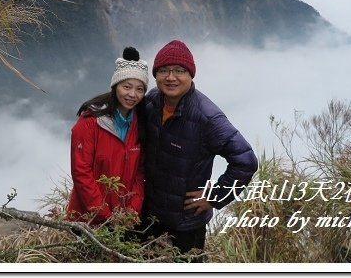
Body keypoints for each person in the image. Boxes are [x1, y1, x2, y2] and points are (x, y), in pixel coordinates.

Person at [139, 39, 258, 256]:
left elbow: (246, 161)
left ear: (191, 75)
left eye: (179, 70)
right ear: (155, 75)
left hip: (186, 221)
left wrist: (215, 197)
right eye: (164, 70)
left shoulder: (207, 117)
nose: (171, 77)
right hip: (150, 212)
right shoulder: (152, 101)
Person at [66, 47, 149, 224]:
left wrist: (132, 211)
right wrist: (105, 215)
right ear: (115, 86)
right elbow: (82, 172)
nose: (132, 94)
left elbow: (139, 173)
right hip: (87, 219)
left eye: (140, 89)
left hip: (123, 221)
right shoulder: (89, 123)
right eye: (127, 87)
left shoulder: (140, 124)